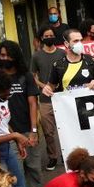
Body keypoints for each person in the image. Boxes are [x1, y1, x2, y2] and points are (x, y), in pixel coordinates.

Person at [0, 40, 42, 187]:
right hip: (8, 134)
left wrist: (34, 130)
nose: (5, 58)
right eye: (2, 55)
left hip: (28, 130)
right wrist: (12, 135)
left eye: (9, 55)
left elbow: (32, 103)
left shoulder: (26, 76)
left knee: (34, 168)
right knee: (16, 171)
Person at [31, 24, 66, 171]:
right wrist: (42, 86)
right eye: (46, 36)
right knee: (48, 131)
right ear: (41, 38)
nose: (49, 38)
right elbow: (33, 77)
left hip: (63, 98)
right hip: (45, 100)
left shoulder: (62, 53)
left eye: (51, 35)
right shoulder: (36, 56)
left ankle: (67, 154)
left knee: (65, 129)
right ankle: (53, 157)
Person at [41, 29, 94, 98]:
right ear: (66, 44)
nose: (79, 44)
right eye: (76, 41)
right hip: (68, 106)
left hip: (90, 104)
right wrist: (47, 89)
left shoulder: (91, 60)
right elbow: (51, 86)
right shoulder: (58, 65)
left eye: (81, 40)